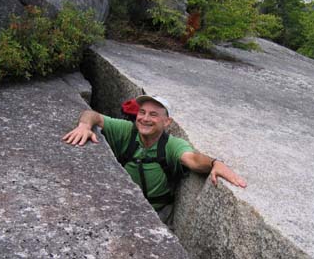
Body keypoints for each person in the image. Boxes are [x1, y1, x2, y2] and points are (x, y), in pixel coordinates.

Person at [62, 95, 247, 224]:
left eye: (153, 114)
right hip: (121, 205)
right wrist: (84, 126)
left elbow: (193, 159)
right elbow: (92, 115)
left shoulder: (171, 145)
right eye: (142, 112)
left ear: (167, 122)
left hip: (156, 212)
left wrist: (215, 163)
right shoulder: (127, 130)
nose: (144, 118)